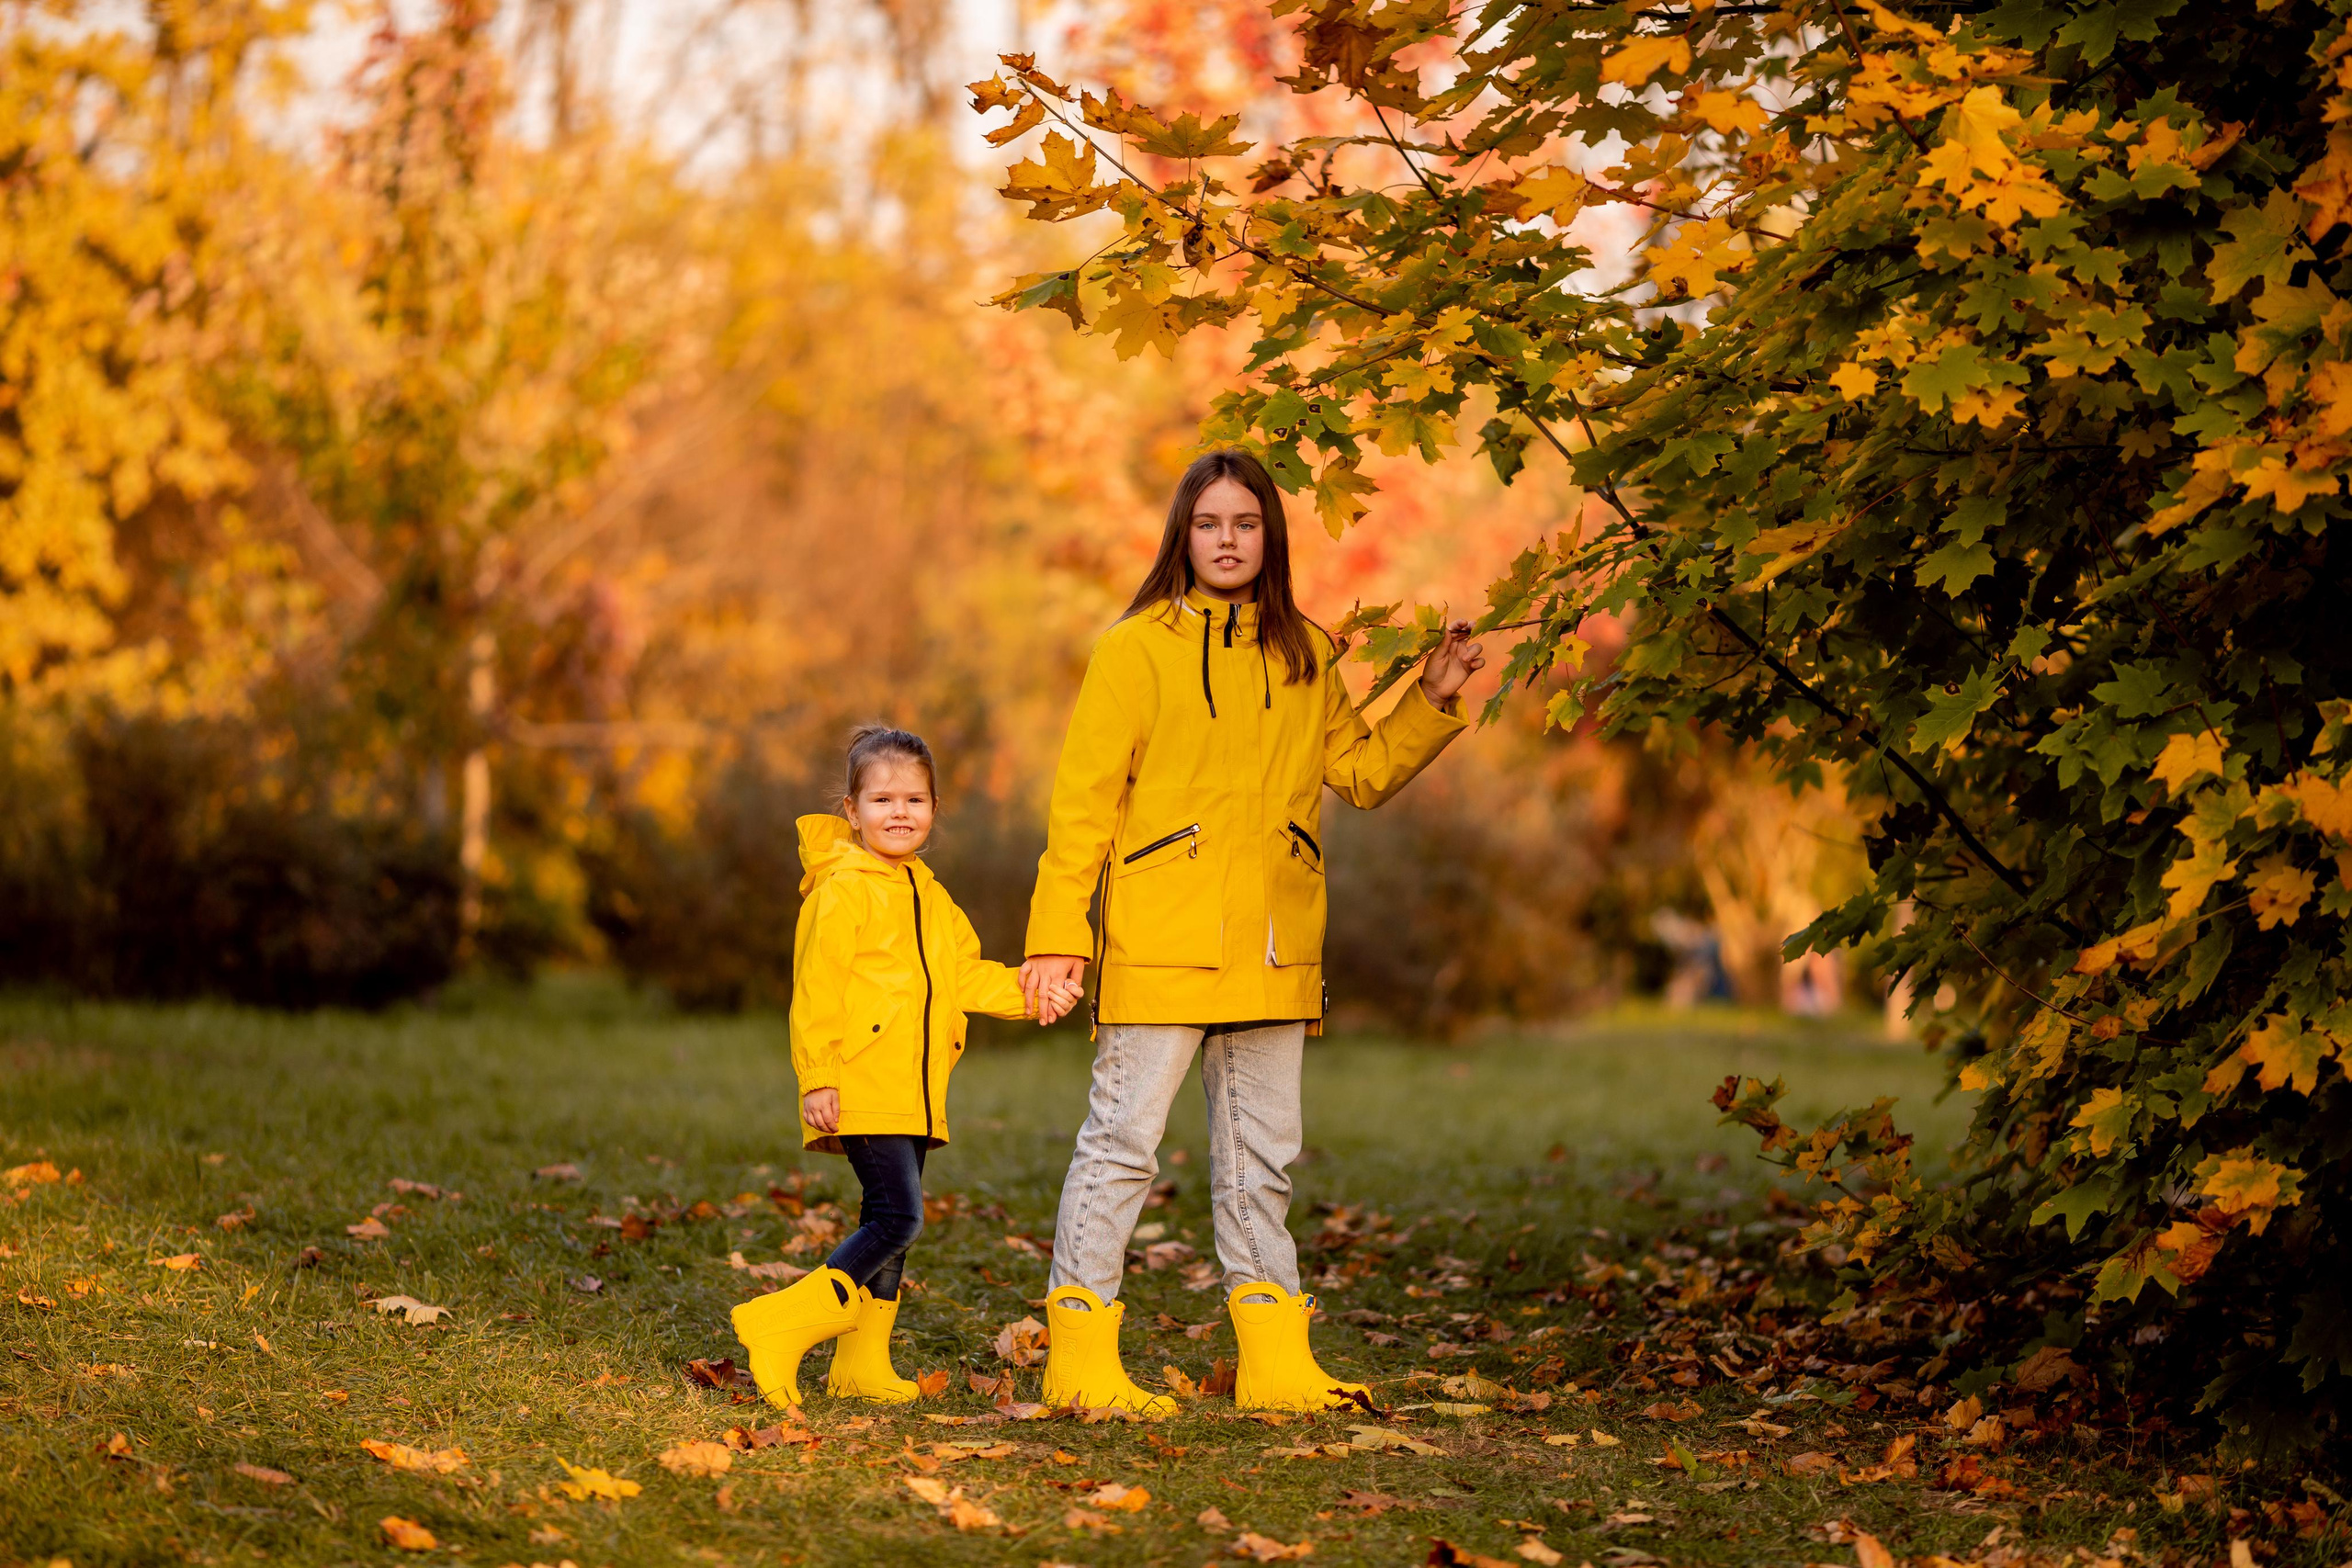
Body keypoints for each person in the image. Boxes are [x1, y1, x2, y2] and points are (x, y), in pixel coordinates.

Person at [1019, 449, 1486, 1414]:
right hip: (1160, 939)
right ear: (1181, 535)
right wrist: (1059, 933)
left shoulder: (1306, 651)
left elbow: (1357, 772)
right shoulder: (1132, 648)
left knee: (1262, 1160)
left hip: (1275, 943)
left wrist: (1431, 695)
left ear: (1268, 536)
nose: (1227, 541)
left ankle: (1274, 1362)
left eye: (1245, 524)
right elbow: (1083, 808)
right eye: (1208, 524)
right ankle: (1079, 1358)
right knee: (1120, 1149)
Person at [730, 726, 1084, 1406]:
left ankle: (861, 1362)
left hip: (916, 1090)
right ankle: (779, 1323)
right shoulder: (842, 890)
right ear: (852, 810)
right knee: (898, 1217)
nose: (900, 812)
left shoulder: (930, 894)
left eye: (915, 798)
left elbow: (964, 977)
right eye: (883, 798)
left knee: (889, 1225)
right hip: (862, 1079)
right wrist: (819, 1075)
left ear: (934, 807)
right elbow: (817, 989)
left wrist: (1035, 989)